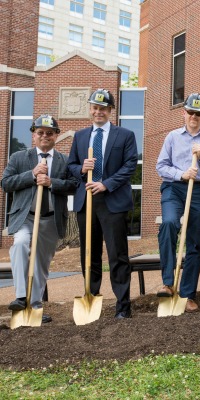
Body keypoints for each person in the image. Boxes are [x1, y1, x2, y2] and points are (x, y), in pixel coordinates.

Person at [67, 88, 138, 319]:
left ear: (110, 110)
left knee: (117, 254)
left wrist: (106, 184)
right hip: (86, 201)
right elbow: (71, 166)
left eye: (103, 108)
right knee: (89, 253)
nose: (98, 112)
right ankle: (91, 296)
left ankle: (123, 305)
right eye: (95, 107)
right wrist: (81, 169)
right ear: (90, 109)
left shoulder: (125, 135)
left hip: (112, 200)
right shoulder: (80, 136)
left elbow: (129, 166)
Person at [1, 115, 77, 323]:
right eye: (40, 132)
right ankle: (20, 297)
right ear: (34, 135)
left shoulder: (64, 160)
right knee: (20, 244)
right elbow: (6, 183)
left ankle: (34, 307)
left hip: (50, 219)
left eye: (49, 133)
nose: (45, 136)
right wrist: (32, 175)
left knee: (41, 266)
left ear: (56, 135)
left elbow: (73, 185)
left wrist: (51, 182)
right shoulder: (19, 158)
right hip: (26, 217)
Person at [156, 93, 200, 313]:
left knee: (194, 242)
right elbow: (161, 166)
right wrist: (181, 174)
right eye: (190, 112)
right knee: (169, 224)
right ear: (183, 113)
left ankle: (188, 294)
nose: (193, 116)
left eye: (198, 113)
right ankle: (168, 283)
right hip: (174, 188)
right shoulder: (172, 137)